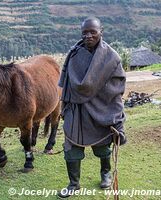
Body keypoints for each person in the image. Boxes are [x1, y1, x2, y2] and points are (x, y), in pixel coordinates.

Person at [58, 17, 127, 198]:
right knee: (71, 148)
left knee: (103, 146)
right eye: (85, 32)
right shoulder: (74, 54)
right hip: (76, 110)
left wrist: (115, 115)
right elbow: (66, 83)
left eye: (92, 32)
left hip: (101, 109)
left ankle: (105, 174)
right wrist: (64, 105)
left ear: (100, 32)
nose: (88, 36)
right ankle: (73, 183)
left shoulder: (111, 57)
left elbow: (117, 87)